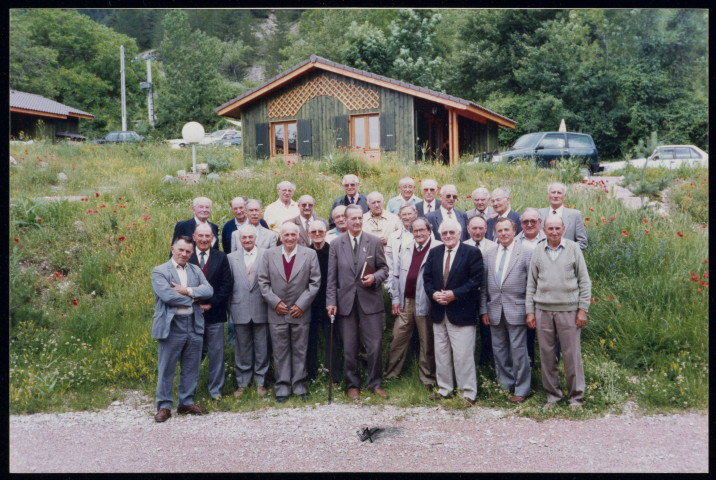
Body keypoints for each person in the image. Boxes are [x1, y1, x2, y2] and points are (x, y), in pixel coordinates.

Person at [526, 215, 591, 409]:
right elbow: (531, 283)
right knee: (547, 355)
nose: (554, 232)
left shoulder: (573, 249)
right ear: (543, 230)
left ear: (563, 229)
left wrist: (582, 309)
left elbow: (584, 281)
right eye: (550, 228)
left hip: (568, 310)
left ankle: (576, 398)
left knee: (572, 355)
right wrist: (530, 311)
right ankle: (553, 396)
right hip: (543, 310)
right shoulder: (538, 250)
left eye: (557, 228)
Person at [326, 204, 389, 400]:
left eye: (360, 218)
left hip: (370, 300)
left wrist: (375, 278)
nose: (357, 221)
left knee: (375, 345)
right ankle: (352, 385)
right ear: (345, 220)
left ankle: (375, 383)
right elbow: (331, 277)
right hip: (345, 302)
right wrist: (331, 301)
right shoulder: (336, 244)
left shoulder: (374, 241)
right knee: (349, 346)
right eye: (353, 218)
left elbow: (384, 269)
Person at [151, 235, 214, 422]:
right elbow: (168, 296)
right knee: (167, 366)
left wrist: (187, 290)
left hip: (194, 322)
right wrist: (195, 296)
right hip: (172, 324)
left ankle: (186, 402)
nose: (184, 254)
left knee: (191, 365)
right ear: (173, 249)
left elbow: (209, 290)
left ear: (192, 253)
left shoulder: (195, 269)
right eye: (180, 250)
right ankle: (163, 406)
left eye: (187, 251)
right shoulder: (160, 271)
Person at [423, 218, 483, 406]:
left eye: (452, 233)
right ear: (440, 236)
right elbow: (427, 279)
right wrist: (433, 295)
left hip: (462, 312)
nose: (448, 236)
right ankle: (444, 389)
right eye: (444, 233)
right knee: (441, 353)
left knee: (463, 354)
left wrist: (454, 294)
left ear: (459, 234)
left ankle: (468, 393)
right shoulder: (434, 252)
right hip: (439, 311)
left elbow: (475, 281)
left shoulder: (472, 253)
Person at [258, 222, 321, 402]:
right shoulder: (269, 255)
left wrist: (301, 304)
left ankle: (299, 386)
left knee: (300, 349)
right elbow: (263, 282)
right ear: (281, 236)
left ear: (299, 236)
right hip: (277, 312)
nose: (290, 238)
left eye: (293, 234)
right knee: (280, 350)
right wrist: (275, 302)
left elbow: (315, 282)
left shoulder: (309, 254)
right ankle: (283, 387)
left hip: (300, 312)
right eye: (286, 235)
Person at [480, 218, 532, 404]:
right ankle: (505, 384)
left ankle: (522, 389)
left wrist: (530, 311)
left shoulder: (525, 253)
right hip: (494, 310)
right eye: (499, 230)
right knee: (499, 350)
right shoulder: (488, 253)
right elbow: (484, 285)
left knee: (519, 351)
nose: (503, 233)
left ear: (514, 231)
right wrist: (483, 310)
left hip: (517, 309)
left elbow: (531, 285)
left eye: (506, 230)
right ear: (495, 233)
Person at [385, 216, 439, 390]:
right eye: (415, 230)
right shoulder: (407, 247)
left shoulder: (437, 248)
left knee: (427, 341)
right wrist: (395, 298)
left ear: (429, 230)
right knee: (397, 338)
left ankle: (427, 380)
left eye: (422, 229)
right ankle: (391, 375)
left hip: (426, 301)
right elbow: (396, 275)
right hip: (406, 301)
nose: (419, 233)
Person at [189, 224, 232, 401]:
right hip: (190, 314)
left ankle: (216, 391)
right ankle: (189, 391)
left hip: (215, 314)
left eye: (208, 236)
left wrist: (211, 304)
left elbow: (226, 285)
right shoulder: (186, 255)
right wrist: (194, 304)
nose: (205, 239)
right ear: (194, 237)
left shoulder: (221, 257)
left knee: (216, 354)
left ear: (213, 238)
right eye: (201, 236)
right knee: (191, 354)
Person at [226, 224, 270, 398]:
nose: (247, 240)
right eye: (243, 238)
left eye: (250, 237)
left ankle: (261, 382)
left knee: (262, 347)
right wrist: (231, 308)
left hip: (262, 307)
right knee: (242, 348)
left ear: (256, 238)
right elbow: (228, 286)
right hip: (239, 307)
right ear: (239, 239)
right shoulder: (231, 258)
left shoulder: (266, 254)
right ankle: (243, 383)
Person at [307, 220, 343, 384]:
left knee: (332, 341)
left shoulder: (333, 251)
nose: (317, 234)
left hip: (330, 303)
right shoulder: (306, 253)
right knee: (310, 340)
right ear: (309, 234)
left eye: (320, 231)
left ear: (326, 232)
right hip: (310, 304)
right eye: (313, 231)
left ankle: (334, 377)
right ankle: (310, 376)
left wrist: (334, 301)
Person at [464, 215, 497, 367]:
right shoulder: (461, 246)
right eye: (474, 228)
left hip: (488, 295)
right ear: (468, 229)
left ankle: (487, 365)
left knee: (487, 330)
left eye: (480, 228)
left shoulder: (494, 246)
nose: (477, 231)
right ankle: (468, 364)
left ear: (486, 229)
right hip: (467, 295)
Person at [538, 182, 588, 250]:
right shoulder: (539, 214)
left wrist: (565, 253)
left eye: (559, 193)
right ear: (547, 195)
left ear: (564, 197)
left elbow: (582, 242)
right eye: (553, 192)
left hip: (568, 259)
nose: (556, 195)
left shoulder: (575, 215)